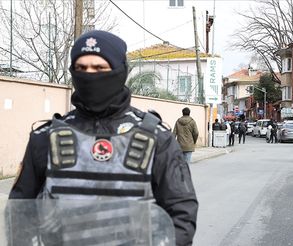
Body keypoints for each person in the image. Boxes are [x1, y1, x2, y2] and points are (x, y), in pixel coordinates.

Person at [9, 30, 198, 246]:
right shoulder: (45, 138)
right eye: (81, 68)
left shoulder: (156, 138)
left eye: (99, 68)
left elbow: (182, 213)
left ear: (120, 71)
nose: (90, 75)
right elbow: (20, 215)